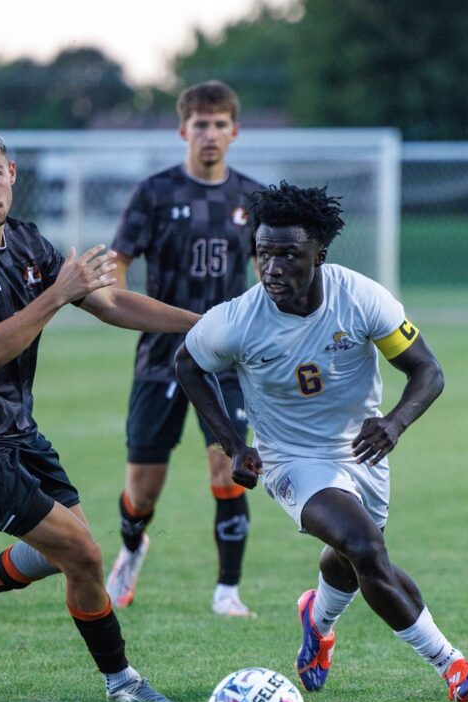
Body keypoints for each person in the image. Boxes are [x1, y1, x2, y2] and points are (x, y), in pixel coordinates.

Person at [0, 123, 201, 702]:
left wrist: (206, 324)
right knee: (83, 553)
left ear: (12, 174)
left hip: (16, 431)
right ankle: (122, 684)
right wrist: (55, 294)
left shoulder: (26, 242)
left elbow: (112, 301)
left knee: (69, 551)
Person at [175, 182, 468, 702]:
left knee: (348, 559)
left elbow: (427, 372)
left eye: (289, 255)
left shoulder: (361, 298)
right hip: (290, 459)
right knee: (365, 547)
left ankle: (316, 623)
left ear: (319, 254)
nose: (273, 268)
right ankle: (453, 665)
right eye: (263, 253)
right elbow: (188, 364)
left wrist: (394, 423)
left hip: (363, 452)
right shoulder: (237, 320)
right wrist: (232, 444)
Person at [104, 81, 264, 618]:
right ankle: (131, 548)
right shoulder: (154, 194)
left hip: (227, 361)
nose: (210, 133)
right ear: (183, 130)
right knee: (142, 491)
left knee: (230, 466)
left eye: (220, 124)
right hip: (159, 356)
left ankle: (227, 591)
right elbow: (118, 266)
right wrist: (116, 296)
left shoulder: (252, 199)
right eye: (201, 124)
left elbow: (270, 276)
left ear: (235, 131)